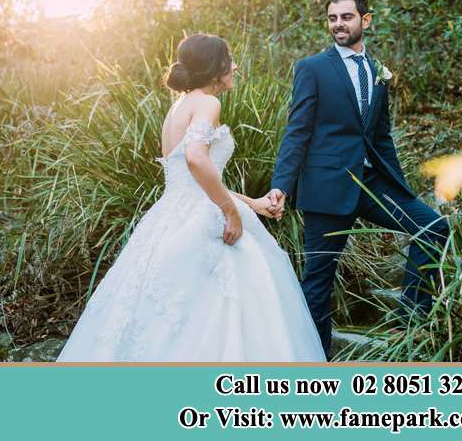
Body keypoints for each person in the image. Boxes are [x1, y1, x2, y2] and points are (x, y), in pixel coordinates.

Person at [57, 34, 325, 362]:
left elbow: (189, 180)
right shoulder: (208, 103)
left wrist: (251, 204)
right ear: (214, 68)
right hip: (202, 218)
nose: (235, 66)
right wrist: (231, 212)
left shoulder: (178, 107)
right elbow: (196, 159)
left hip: (169, 215)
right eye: (229, 60)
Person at [268, 0, 450, 358]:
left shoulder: (377, 72)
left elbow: (380, 137)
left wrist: (402, 189)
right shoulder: (312, 68)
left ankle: (409, 324)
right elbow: (297, 131)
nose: (338, 24)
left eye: (346, 17)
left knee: (433, 228)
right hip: (326, 188)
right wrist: (281, 186)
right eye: (333, 18)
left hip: (372, 184)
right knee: (319, 281)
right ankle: (314, 361)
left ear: (365, 21)